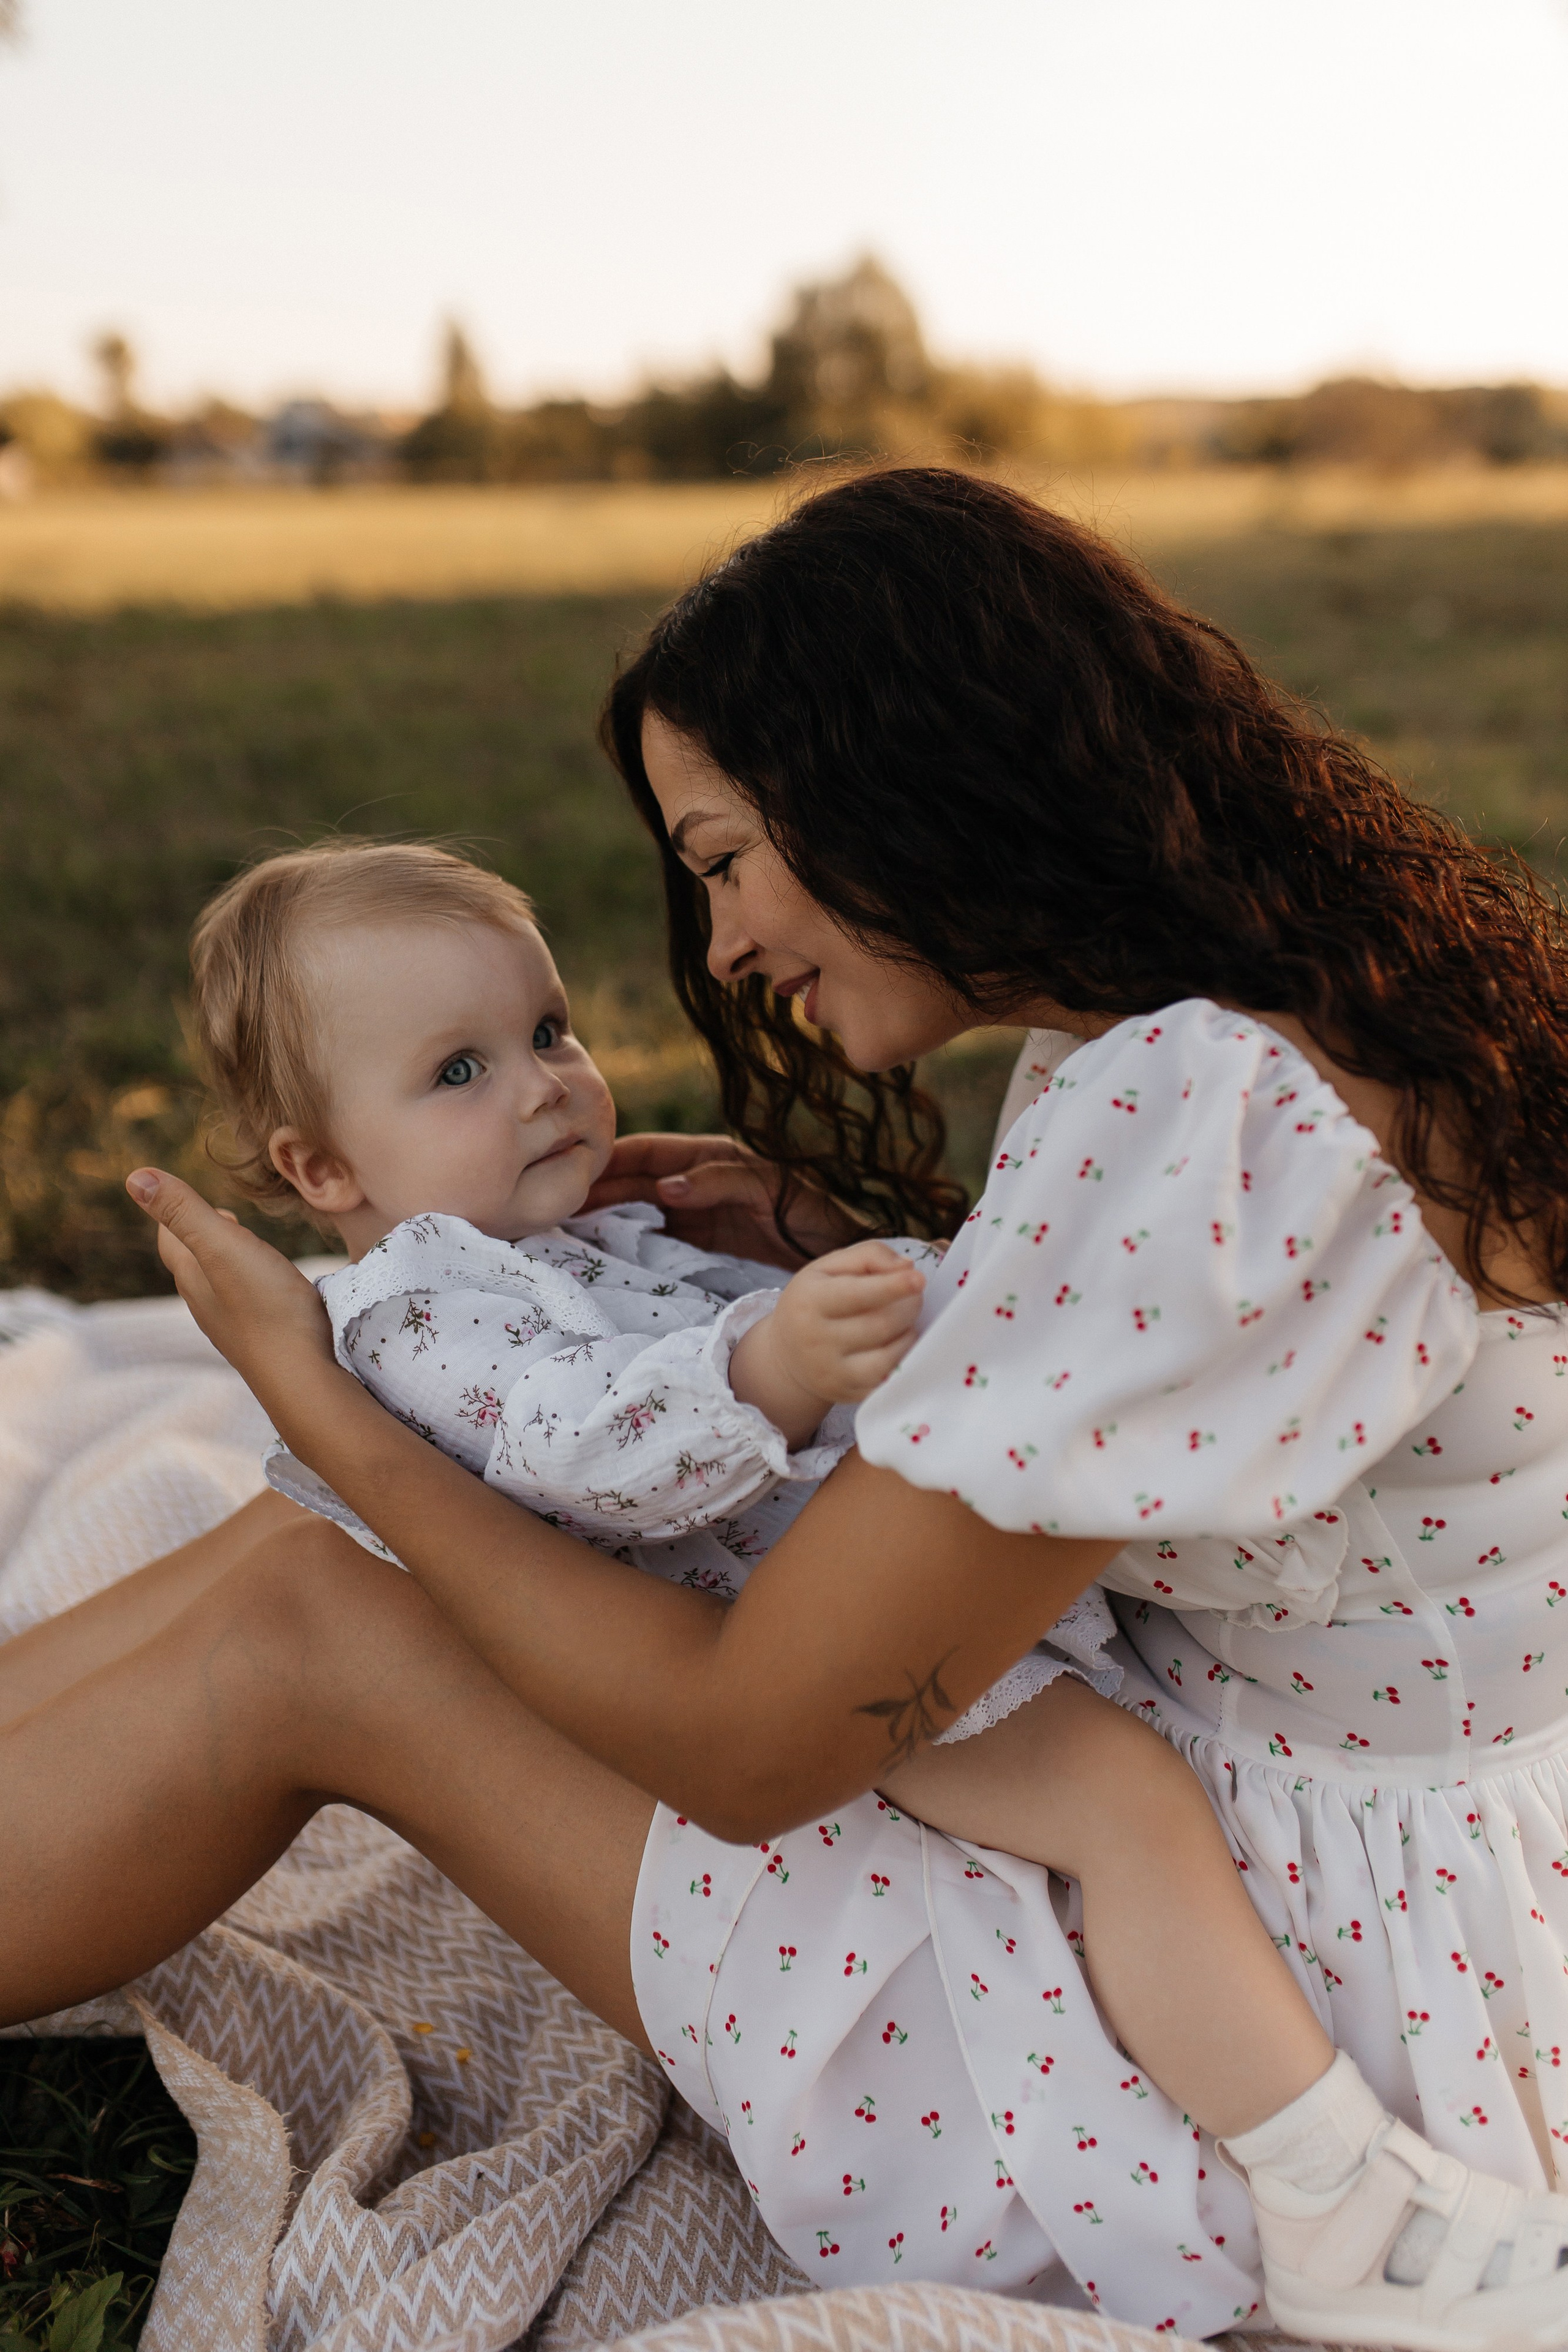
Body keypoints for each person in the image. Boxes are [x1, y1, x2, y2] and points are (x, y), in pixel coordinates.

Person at [4, 469, 1568, 2348]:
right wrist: (874, 1257)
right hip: (1374, 1849)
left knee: (314, 1608)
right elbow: (1203, 1373)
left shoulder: (1202, 1123)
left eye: (728, 856)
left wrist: (324, 1402)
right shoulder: (1292, 1001)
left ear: (898, 786)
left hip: (1313, 2005)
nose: (726, 939)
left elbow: (755, 1754)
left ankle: (1337, 2211)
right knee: (327, 1537)